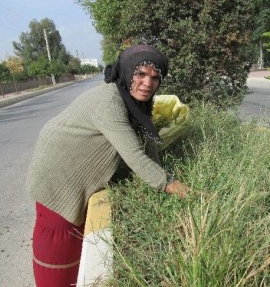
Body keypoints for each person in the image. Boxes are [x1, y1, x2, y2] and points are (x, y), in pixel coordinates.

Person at [26, 45, 190, 286]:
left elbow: (147, 141)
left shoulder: (134, 101)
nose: (147, 83)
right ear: (126, 72)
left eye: (155, 77)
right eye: (140, 74)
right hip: (57, 179)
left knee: (76, 244)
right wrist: (181, 190)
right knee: (60, 249)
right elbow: (135, 155)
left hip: (71, 171)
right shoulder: (109, 102)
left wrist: (161, 180)